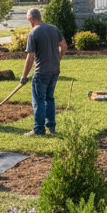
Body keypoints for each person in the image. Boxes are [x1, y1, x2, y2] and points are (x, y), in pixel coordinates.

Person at [20, 7, 68, 136]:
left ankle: (39, 129)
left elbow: (30, 57)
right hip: (55, 70)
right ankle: (51, 127)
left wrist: (24, 76)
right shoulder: (54, 28)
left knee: (39, 100)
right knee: (49, 98)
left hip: (42, 72)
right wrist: (57, 59)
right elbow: (64, 46)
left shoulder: (34, 33)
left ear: (31, 20)